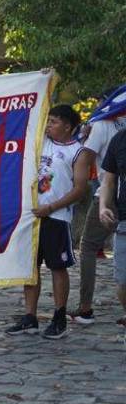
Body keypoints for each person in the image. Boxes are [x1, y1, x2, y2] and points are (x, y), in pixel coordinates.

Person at [6, 105, 93, 339]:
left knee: (57, 266)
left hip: (56, 217)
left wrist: (51, 207)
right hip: (32, 215)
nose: (49, 125)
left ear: (67, 126)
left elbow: (80, 189)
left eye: (54, 122)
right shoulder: (41, 141)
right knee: (30, 267)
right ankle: (29, 317)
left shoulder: (80, 152)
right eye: (49, 121)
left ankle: (59, 317)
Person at [69, 85, 126, 324]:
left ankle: (85, 307)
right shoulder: (121, 126)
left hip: (106, 193)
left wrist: (76, 185)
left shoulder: (102, 126)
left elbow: (85, 155)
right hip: (113, 193)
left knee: (89, 246)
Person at [97, 127, 126, 327]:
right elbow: (108, 180)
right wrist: (103, 206)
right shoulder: (120, 139)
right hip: (124, 220)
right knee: (123, 280)